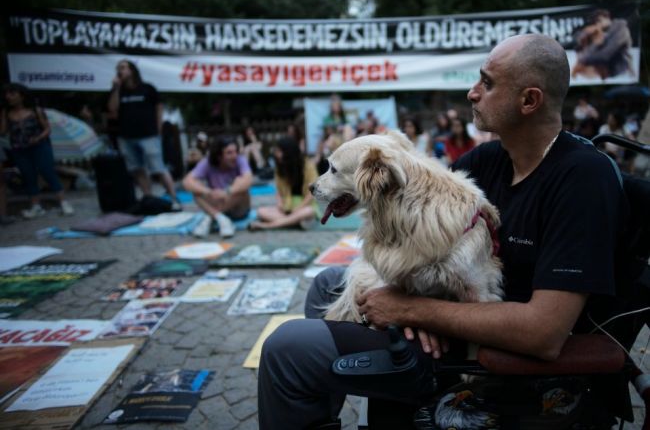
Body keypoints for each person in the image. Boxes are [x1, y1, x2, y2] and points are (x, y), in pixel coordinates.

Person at [257, 34, 626, 429]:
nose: (472, 92)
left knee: (285, 348)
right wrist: (414, 305)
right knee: (326, 283)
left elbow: (544, 332)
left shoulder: (583, 179)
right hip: (443, 316)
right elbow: (406, 212)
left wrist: (410, 309)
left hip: (488, 355)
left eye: (487, 83)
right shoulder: (490, 159)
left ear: (529, 101)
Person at [106, 60, 180, 210]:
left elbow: (159, 108)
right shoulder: (118, 91)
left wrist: (158, 129)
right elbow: (112, 110)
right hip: (126, 137)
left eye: (123, 68)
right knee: (137, 169)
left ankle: (174, 199)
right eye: (118, 68)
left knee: (158, 168)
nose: (120, 71)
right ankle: (148, 199)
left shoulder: (147, 88)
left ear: (132, 70)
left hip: (149, 135)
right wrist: (115, 88)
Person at [0, 83, 74, 218]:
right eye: (7, 94)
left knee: (47, 171)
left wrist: (38, 138)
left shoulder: (36, 110)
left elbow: (47, 129)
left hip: (39, 146)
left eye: (12, 94)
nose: (8, 97)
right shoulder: (7, 112)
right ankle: (36, 206)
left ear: (21, 95)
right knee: (28, 175)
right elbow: (3, 132)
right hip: (19, 149)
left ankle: (63, 202)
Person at [182, 135, 253, 238]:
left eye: (235, 152)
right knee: (197, 188)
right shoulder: (207, 162)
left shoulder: (240, 160)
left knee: (240, 184)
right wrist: (208, 192)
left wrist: (228, 191)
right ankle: (220, 218)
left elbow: (248, 180)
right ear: (219, 155)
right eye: (229, 153)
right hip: (217, 200)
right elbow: (187, 182)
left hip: (238, 209)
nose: (234, 156)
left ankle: (212, 216)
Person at [249, 136, 319, 231]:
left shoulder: (308, 166)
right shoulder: (279, 168)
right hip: (287, 208)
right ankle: (294, 222)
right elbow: (278, 191)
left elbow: (312, 192)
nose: (277, 154)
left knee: (309, 212)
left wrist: (298, 208)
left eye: (279, 151)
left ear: (288, 152)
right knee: (261, 211)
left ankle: (267, 226)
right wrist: (280, 203)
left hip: (304, 206)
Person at [571, 9, 634, 80]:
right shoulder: (605, 32)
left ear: (607, 17)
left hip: (620, 69)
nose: (598, 24)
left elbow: (604, 55)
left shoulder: (621, 30)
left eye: (599, 20)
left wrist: (594, 47)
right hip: (609, 71)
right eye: (595, 22)